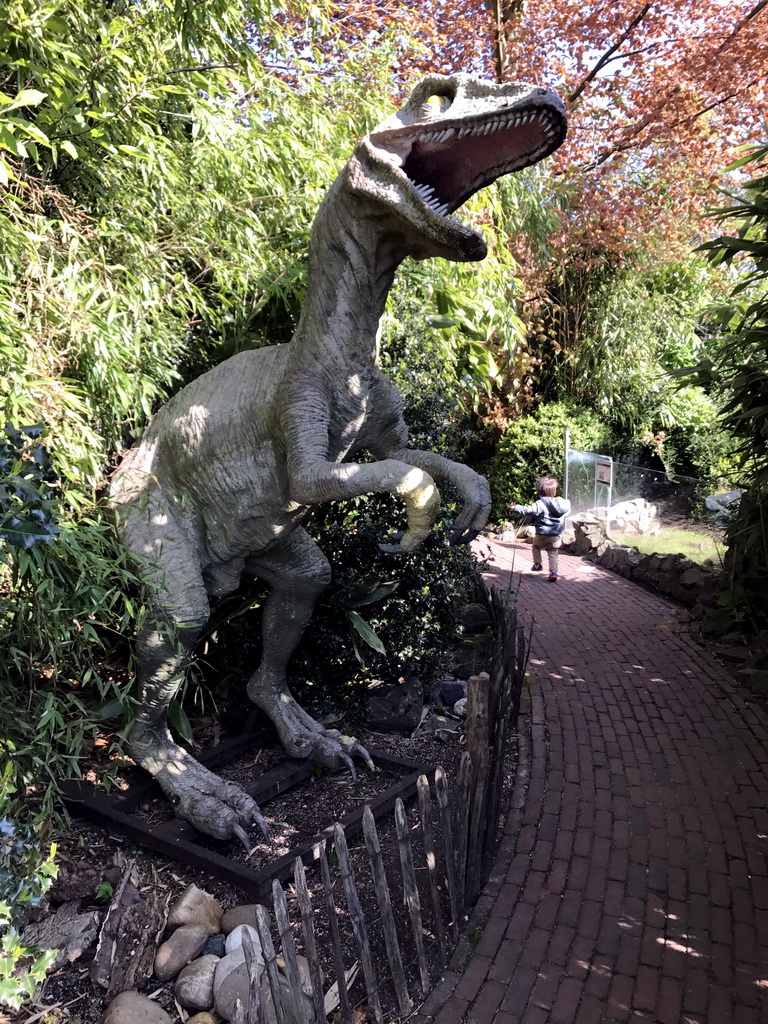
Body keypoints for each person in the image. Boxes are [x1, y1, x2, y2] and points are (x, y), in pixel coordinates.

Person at [510, 476, 571, 581]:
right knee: (553, 553)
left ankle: (537, 564)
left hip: (542, 535)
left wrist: (516, 507)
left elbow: (528, 510)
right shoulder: (562, 504)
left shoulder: (540, 503)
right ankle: (554, 572)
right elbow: (567, 510)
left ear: (540, 492)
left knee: (535, 546)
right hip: (556, 536)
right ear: (554, 492)